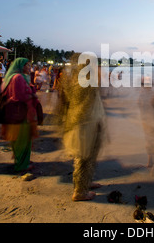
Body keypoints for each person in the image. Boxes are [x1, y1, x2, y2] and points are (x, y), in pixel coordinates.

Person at [58, 54, 107, 201]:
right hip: (85, 124)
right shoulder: (86, 81)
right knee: (84, 157)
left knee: (88, 157)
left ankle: (86, 183)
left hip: (85, 122)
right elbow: (87, 104)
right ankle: (79, 191)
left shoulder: (77, 79)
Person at [1, 58, 39, 173]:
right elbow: (20, 96)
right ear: (21, 66)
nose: (29, 68)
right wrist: (32, 95)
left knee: (20, 138)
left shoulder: (13, 77)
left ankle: (23, 161)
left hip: (15, 113)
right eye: (27, 65)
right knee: (22, 139)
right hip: (21, 113)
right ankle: (22, 165)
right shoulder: (18, 78)